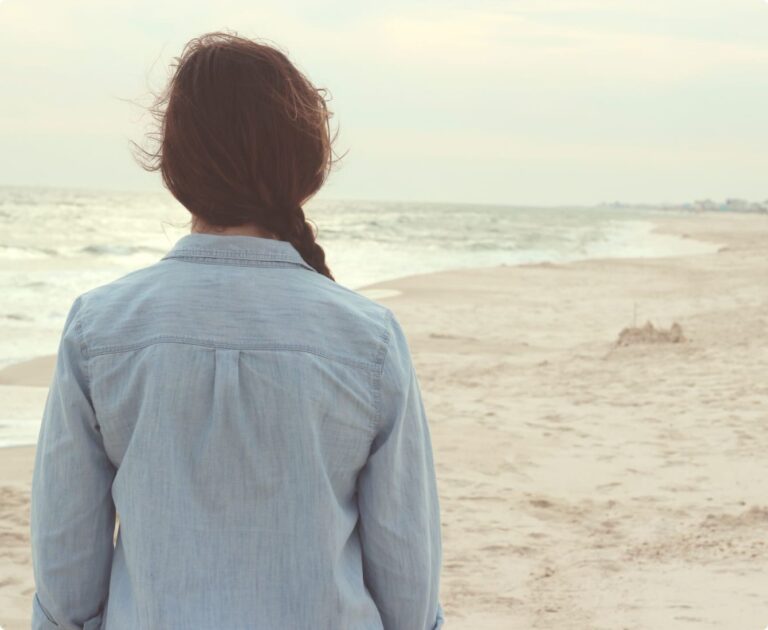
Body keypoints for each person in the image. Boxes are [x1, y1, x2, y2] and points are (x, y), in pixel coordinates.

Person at [29, 30, 445, 630]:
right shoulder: (369, 340)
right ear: (304, 162)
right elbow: (408, 592)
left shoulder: (100, 330)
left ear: (176, 165)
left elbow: (65, 585)